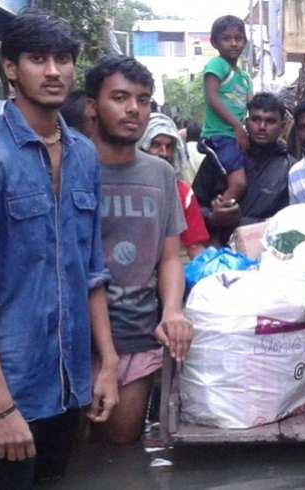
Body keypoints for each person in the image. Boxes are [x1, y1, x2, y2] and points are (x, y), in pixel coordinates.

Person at [0, 10, 119, 488]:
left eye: (63, 59)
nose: (54, 70)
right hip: (10, 389)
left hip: (69, 386)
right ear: (10, 68)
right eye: (38, 59)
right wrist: (0, 407)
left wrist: (106, 364)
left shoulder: (83, 153)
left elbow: (92, 271)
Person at [84, 55, 192, 444]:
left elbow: (169, 257)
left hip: (136, 332)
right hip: (75, 340)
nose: (133, 109)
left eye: (143, 99)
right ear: (92, 107)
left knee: (120, 454)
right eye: (120, 97)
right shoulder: (72, 169)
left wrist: (173, 310)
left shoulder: (160, 174)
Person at [194, 92, 294, 244]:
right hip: (218, 254)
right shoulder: (222, 158)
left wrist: (242, 222)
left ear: (282, 126)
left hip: (268, 254)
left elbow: (292, 219)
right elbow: (192, 206)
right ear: (246, 122)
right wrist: (213, 217)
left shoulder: (290, 167)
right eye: (256, 119)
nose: (262, 127)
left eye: (270, 121)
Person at [137, 112, 210, 259]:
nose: (164, 153)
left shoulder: (182, 192)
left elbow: (195, 247)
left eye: (169, 146)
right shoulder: (124, 188)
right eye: (156, 145)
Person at [200, 15, 252, 211]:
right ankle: (215, 217)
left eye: (238, 38)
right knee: (238, 183)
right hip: (219, 136)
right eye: (226, 38)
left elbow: (251, 105)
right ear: (215, 42)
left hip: (235, 137)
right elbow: (212, 98)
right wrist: (238, 127)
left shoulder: (245, 77)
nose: (233, 43)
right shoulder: (217, 65)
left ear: (245, 42)